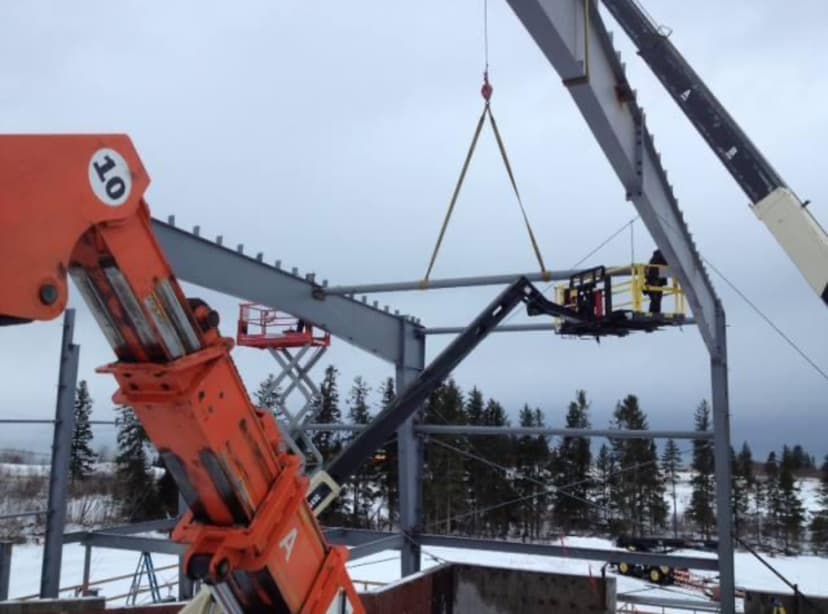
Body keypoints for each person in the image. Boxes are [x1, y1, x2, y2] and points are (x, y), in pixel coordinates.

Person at [645, 249, 668, 314]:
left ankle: (655, 314)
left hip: (656, 281)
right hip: (653, 281)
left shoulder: (655, 258)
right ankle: (654, 314)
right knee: (656, 299)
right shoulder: (660, 257)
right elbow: (667, 262)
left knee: (656, 299)